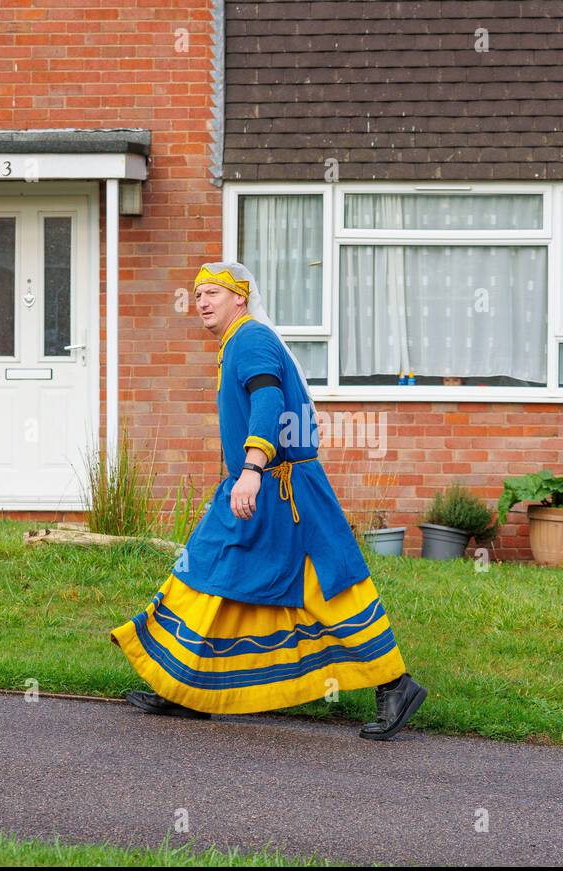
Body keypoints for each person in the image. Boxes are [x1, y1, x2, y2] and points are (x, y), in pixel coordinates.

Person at [109, 261, 428, 741]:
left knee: (327, 585)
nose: (202, 301)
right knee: (209, 569)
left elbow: (269, 403)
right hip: (260, 483)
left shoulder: (251, 339)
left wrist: (253, 469)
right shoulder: (237, 342)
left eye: (214, 292)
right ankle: (187, 688)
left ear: (241, 298)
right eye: (198, 294)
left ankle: (395, 685)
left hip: (282, 489)